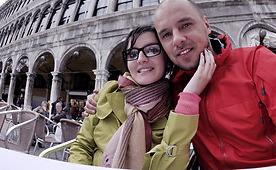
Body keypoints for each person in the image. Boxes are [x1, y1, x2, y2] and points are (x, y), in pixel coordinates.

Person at [85, 0, 276, 170]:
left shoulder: (254, 62)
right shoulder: (173, 92)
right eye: (166, 35)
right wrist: (101, 97)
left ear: (206, 24)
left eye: (186, 25)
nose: (178, 40)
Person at [68, 26, 215, 169]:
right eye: (132, 54)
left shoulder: (178, 105)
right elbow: (82, 146)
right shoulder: (108, 91)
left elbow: (171, 165)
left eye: (152, 50)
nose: (141, 59)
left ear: (166, 58)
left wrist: (190, 96)